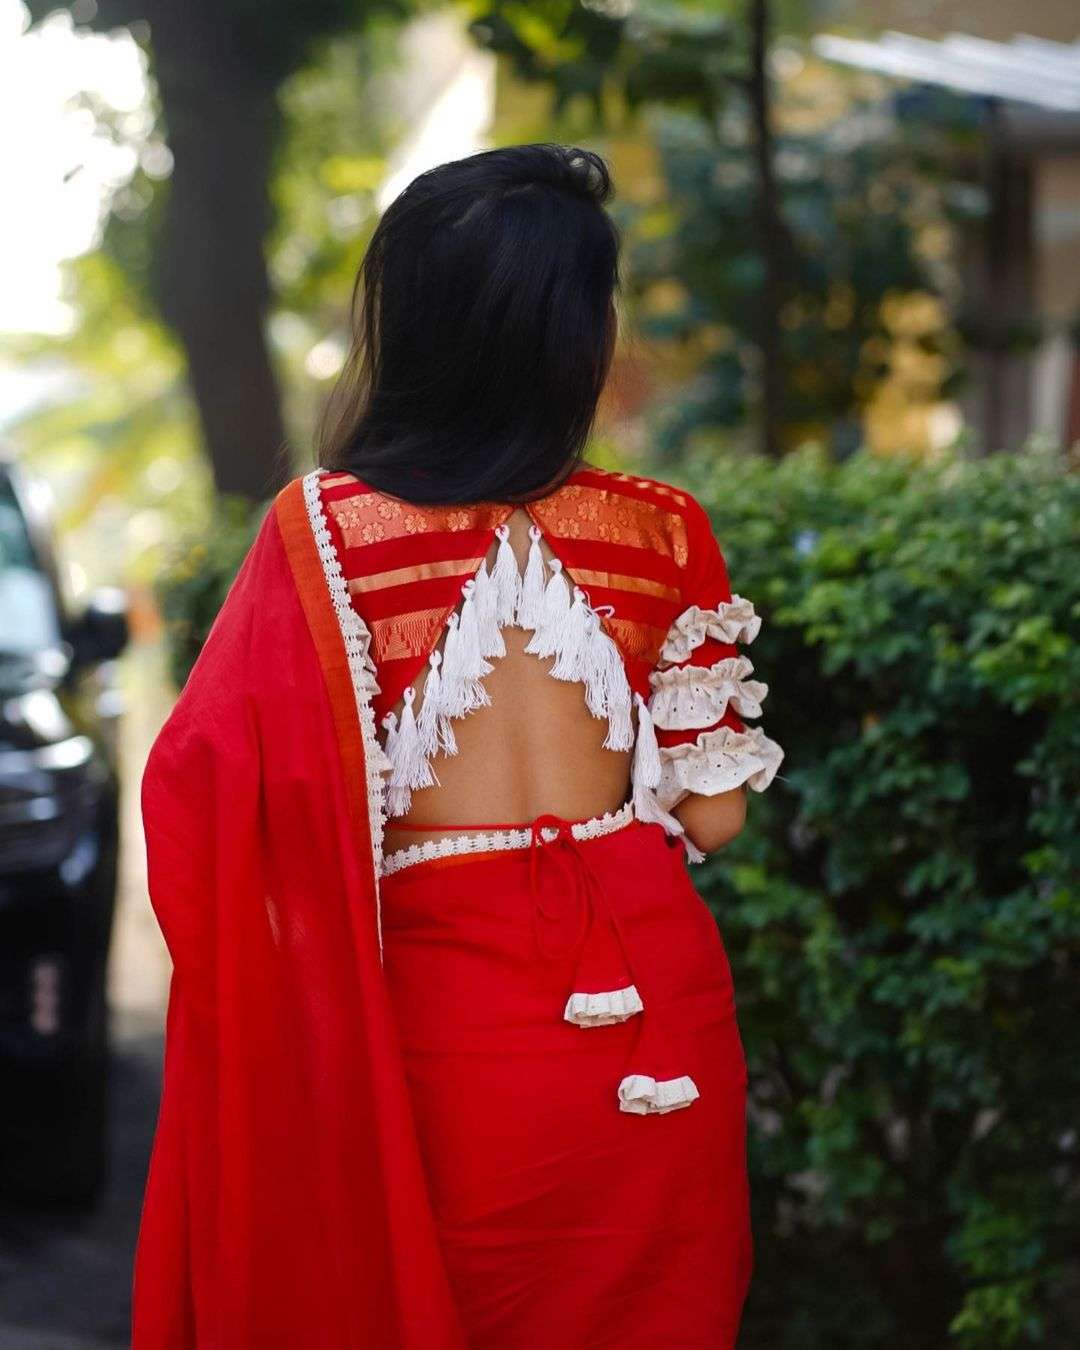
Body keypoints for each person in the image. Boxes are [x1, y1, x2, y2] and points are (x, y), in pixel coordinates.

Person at [132, 144, 783, 1350]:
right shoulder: (665, 529)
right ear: (578, 331)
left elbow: (202, 794)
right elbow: (716, 816)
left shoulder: (324, 534)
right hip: (661, 1030)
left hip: (452, 1053)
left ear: (418, 326)